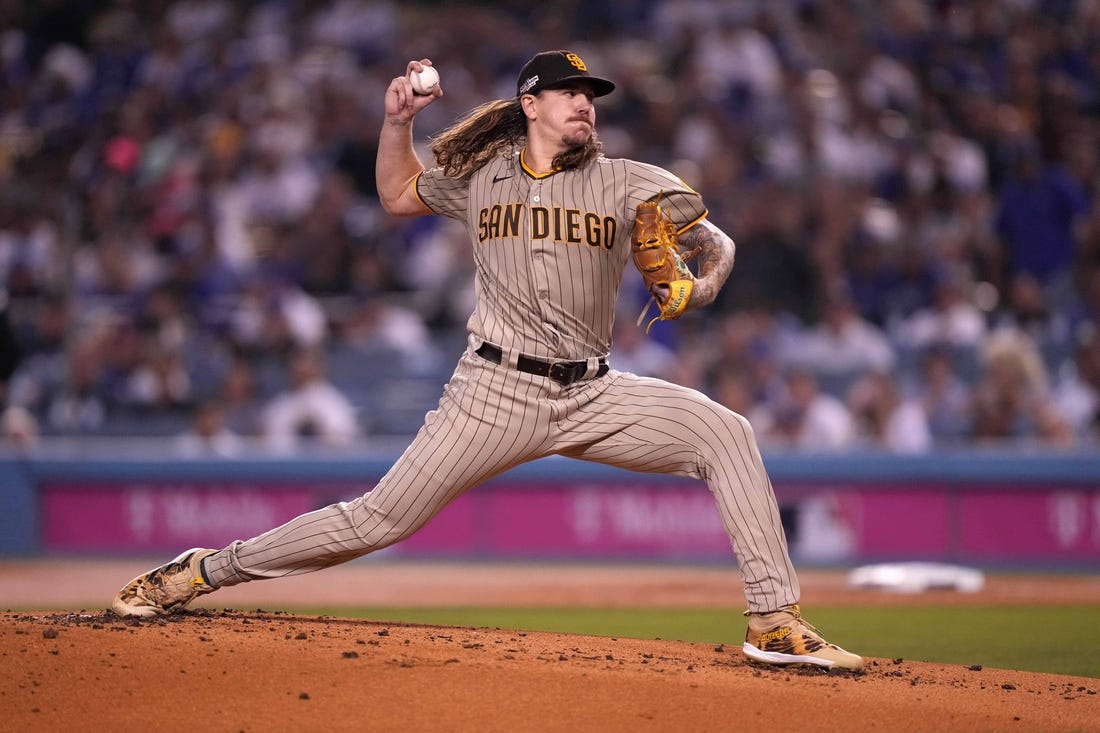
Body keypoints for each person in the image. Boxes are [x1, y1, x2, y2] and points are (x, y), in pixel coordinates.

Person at [111, 51, 862, 671]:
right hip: (492, 390)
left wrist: (695, 285)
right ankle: (203, 569)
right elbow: (399, 192)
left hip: (595, 392)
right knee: (375, 519)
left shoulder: (629, 180)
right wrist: (397, 121)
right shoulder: (484, 176)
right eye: (569, 93)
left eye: (590, 95)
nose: (584, 104)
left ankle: (773, 619)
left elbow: (715, 244)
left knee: (725, 432)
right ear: (529, 105)